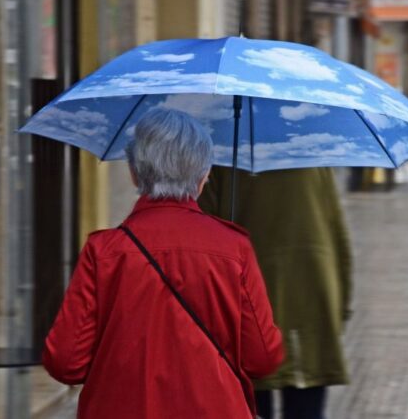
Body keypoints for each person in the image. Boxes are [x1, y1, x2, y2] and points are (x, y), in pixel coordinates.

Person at [42, 108, 285, 419]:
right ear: (204, 175)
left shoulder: (103, 251)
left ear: (133, 172)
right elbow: (262, 358)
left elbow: (66, 362)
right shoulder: (234, 248)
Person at [200, 168, 352, 419]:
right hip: (312, 303)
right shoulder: (313, 156)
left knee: (249, 404)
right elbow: (338, 236)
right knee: (306, 404)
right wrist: (340, 306)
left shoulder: (222, 159)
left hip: (248, 310)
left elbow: (205, 237)